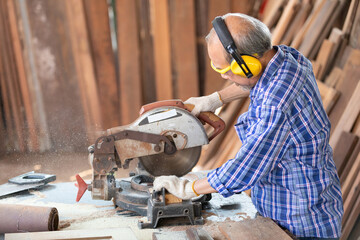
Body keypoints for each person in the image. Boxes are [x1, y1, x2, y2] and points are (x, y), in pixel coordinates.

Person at [153, 13, 343, 239]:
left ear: (248, 65)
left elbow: (247, 168)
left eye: (225, 71)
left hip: (300, 220)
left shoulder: (276, 104)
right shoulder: (289, 58)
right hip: (301, 202)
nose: (227, 78)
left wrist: (189, 189)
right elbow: (259, 82)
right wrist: (215, 99)